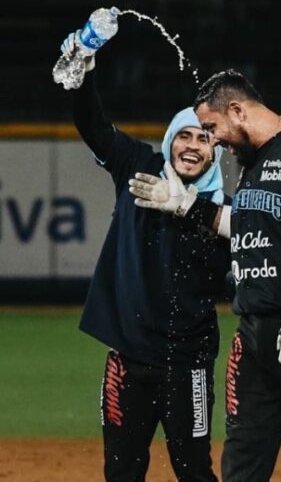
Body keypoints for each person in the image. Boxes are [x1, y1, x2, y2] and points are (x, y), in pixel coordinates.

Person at [129, 69, 281, 481]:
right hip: (256, 333)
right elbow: (250, 226)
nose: (211, 140)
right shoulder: (253, 162)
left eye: (211, 127)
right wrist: (185, 205)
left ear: (236, 110)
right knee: (240, 467)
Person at [64, 31, 231, 482]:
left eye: (204, 139)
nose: (193, 146)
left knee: (193, 471)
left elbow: (251, 270)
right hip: (127, 358)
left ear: (217, 151)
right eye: (185, 136)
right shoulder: (136, 166)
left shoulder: (222, 212)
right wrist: (85, 66)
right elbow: (93, 125)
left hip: (188, 362)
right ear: (170, 139)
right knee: (120, 471)